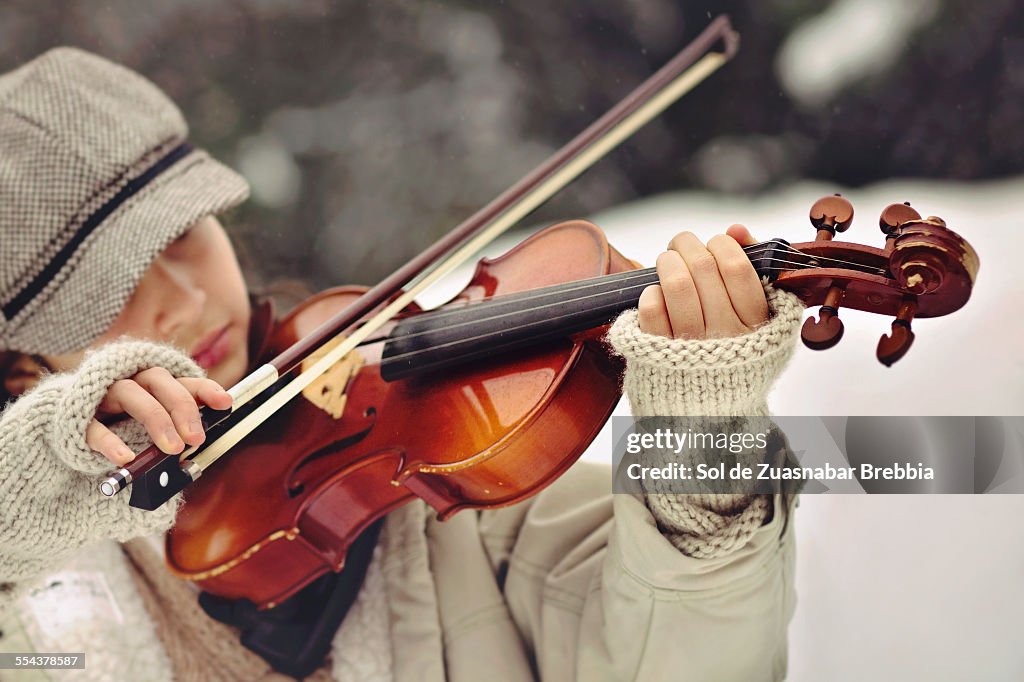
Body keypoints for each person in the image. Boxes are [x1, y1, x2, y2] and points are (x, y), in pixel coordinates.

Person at [0, 48, 805, 682]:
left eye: (182, 239)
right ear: (26, 364)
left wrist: (705, 442)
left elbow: (690, 661)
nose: (178, 302)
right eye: (106, 299)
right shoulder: (40, 593)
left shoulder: (446, 462)